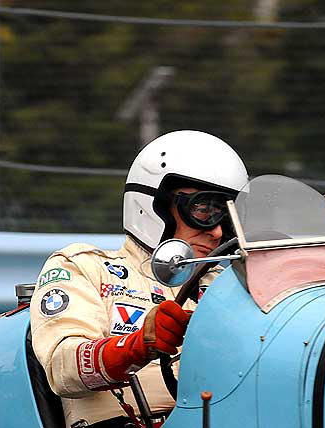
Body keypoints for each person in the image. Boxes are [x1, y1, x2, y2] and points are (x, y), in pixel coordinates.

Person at [30, 130, 249, 428]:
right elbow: (61, 368)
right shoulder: (84, 267)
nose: (218, 232)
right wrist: (135, 347)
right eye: (203, 210)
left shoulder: (230, 284)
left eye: (226, 216)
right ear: (153, 204)